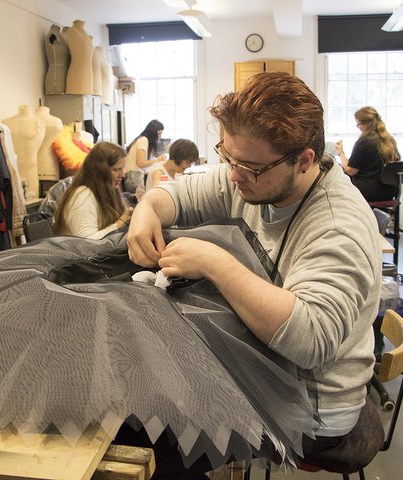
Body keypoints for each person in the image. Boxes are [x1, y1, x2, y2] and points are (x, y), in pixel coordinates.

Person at [125, 72, 382, 477]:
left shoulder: (336, 224)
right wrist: (146, 209)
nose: (233, 175)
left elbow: (311, 338)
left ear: (304, 161)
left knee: (147, 438)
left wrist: (214, 262)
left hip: (311, 406)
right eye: (228, 157)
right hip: (270, 370)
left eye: (247, 166)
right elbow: (179, 194)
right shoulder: (252, 177)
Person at [53, 141, 133, 239]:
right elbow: (87, 242)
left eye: (122, 169)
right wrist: (121, 222)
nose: (122, 175)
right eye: (116, 170)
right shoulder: (82, 197)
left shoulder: (106, 191)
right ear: (100, 171)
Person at [335, 106, 400, 202]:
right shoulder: (390, 140)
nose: (358, 127)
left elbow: (350, 170)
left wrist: (340, 152)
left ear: (366, 124)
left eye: (358, 124)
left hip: (368, 191)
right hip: (389, 191)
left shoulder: (364, 142)